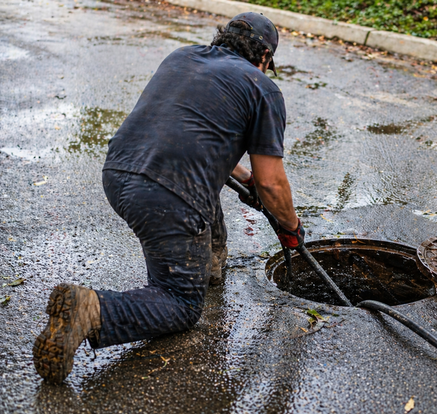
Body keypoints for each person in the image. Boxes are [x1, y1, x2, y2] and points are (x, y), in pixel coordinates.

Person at [32, 12, 305, 385]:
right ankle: (92, 309)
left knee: (199, 189)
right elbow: (272, 183)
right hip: (168, 196)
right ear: (264, 58)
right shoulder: (262, 87)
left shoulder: (182, 56)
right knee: (180, 303)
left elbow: (191, 138)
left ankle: (205, 262)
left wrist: (245, 178)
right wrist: (290, 227)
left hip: (119, 173)